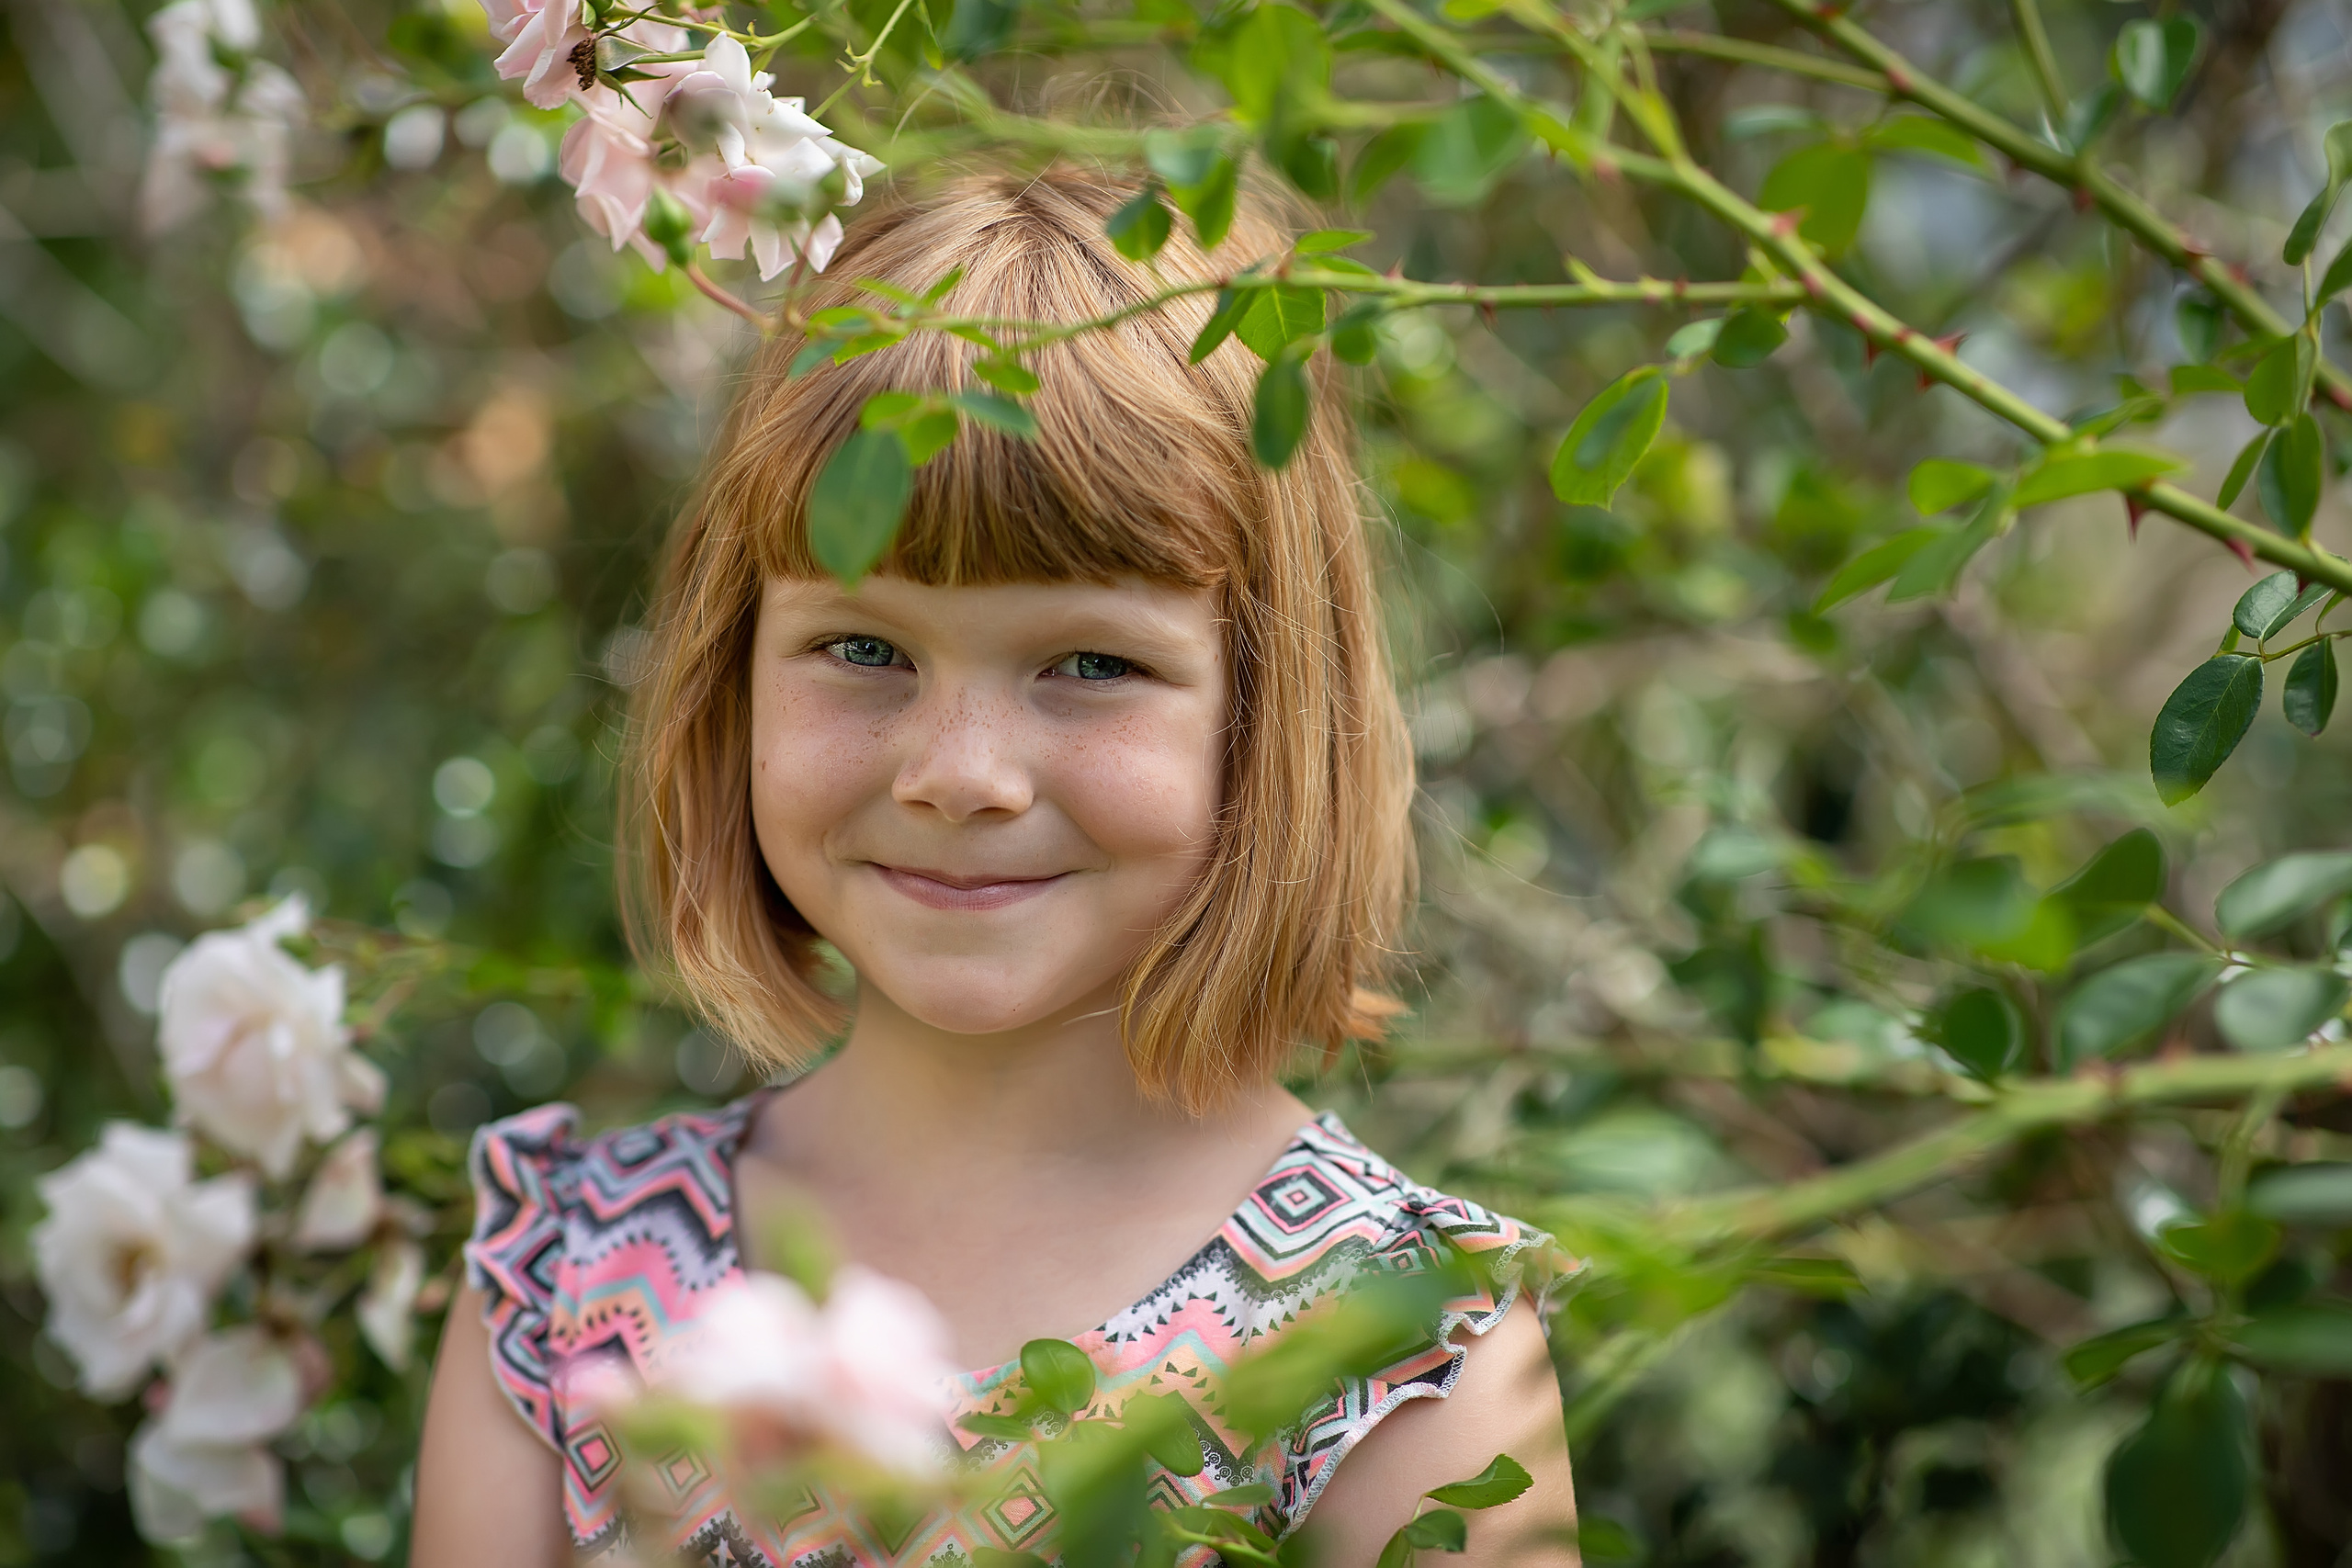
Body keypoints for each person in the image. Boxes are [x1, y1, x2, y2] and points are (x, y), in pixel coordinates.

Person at [413, 168, 1577, 1567]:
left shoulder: (1399, 1347)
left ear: (1263, 719)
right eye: (864, 649)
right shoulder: (563, 1287)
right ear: (733, 678)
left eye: (1092, 664)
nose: (960, 773)